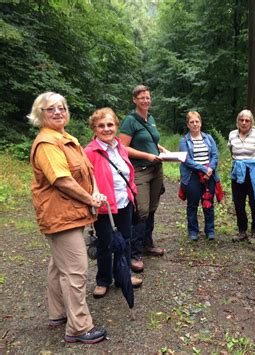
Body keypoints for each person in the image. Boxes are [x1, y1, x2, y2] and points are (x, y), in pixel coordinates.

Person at [29, 92, 107, 344]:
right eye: (51, 109)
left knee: (58, 265)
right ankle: (79, 327)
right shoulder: (47, 144)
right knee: (75, 270)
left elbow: (87, 169)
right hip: (60, 215)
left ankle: (58, 313)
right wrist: (89, 198)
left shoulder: (66, 138)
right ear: (40, 114)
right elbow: (62, 180)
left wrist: (94, 189)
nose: (58, 112)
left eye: (61, 108)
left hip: (71, 212)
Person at [85, 108, 143, 299]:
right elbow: (86, 179)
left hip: (124, 202)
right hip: (104, 207)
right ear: (94, 129)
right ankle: (103, 280)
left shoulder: (120, 147)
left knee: (124, 241)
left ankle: (123, 276)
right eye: (101, 126)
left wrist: (131, 191)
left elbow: (127, 173)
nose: (106, 129)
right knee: (105, 243)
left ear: (116, 126)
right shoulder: (90, 152)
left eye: (110, 125)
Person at [119, 85, 168, 273]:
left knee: (153, 207)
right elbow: (123, 147)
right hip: (140, 169)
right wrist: (147, 156)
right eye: (141, 98)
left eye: (147, 97)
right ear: (134, 100)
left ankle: (148, 244)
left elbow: (152, 140)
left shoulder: (151, 118)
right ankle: (135, 252)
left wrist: (162, 149)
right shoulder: (130, 121)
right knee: (142, 209)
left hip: (157, 169)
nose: (145, 101)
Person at [179, 111, 220, 241]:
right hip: (193, 177)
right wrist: (203, 168)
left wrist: (210, 169)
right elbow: (186, 160)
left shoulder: (208, 138)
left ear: (201, 123)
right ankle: (193, 231)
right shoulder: (184, 141)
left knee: (208, 203)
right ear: (188, 124)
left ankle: (210, 230)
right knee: (192, 204)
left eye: (197, 121)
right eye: (192, 122)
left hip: (209, 176)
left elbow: (215, 155)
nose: (195, 124)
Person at [228, 109, 255, 242]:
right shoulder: (232, 134)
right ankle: (242, 231)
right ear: (237, 121)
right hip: (238, 172)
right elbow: (231, 152)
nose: (244, 123)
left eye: (247, 120)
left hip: (253, 172)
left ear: (251, 122)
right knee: (238, 203)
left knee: (254, 202)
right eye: (241, 120)